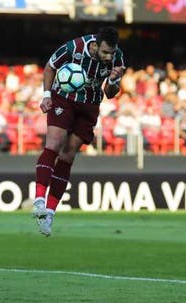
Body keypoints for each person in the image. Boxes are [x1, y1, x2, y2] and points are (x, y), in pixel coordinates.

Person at [33, 27, 126, 236]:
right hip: (63, 98)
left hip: (89, 104)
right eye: (105, 53)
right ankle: (39, 199)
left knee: (68, 155)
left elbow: (110, 94)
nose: (109, 57)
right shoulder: (74, 47)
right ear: (95, 46)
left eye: (112, 52)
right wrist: (46, 95)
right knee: (54, 143)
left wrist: (112, 80)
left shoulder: (117, 58)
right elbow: (50, 67)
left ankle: (49, 212)